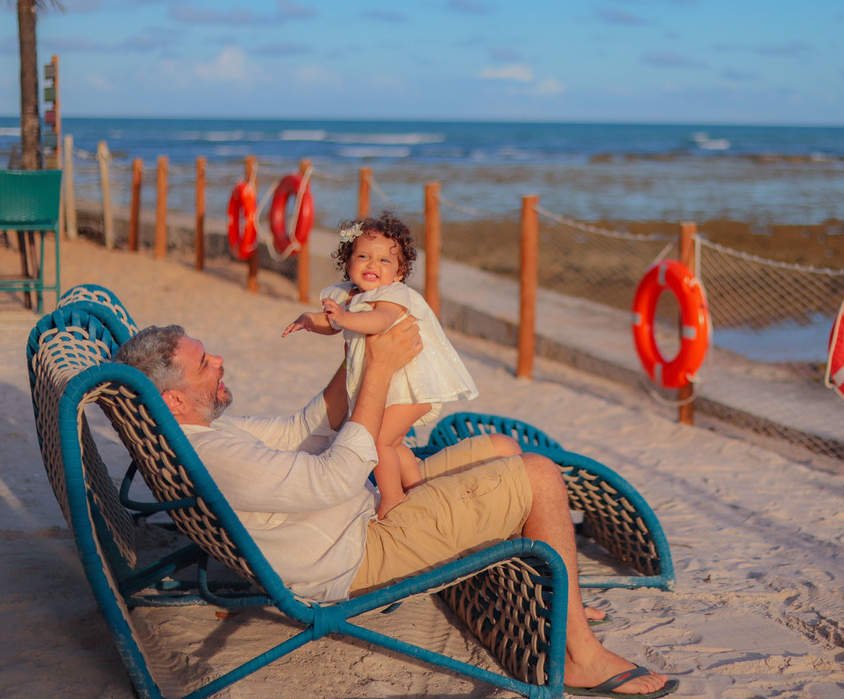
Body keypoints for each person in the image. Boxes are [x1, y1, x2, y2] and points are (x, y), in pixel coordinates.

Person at [113, 320, 677, 698]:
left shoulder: (198, 434)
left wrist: (358, 350)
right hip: (360, 551)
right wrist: (378, 374)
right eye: (204, 363)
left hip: (355, 520)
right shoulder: (216, 457)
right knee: (540, 476)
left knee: (503, 449)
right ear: (174, 398)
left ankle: (558, 596)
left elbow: (301, 429)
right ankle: (580, 655)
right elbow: (331, 477)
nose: (219, 360)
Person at [282, 211, 478, 519]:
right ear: (348, 261)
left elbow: (379, 320)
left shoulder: (392, 296)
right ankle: (417, 488)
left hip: (413, 388)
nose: (373, 264)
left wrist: (346, 317)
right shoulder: (349, 296)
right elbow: (332, 324)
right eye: (363, 256)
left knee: (376, 441)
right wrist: (310, 320)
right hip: (393, 389)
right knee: (394, 444)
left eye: (384, 260)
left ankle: (392, 499)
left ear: (399, 272)